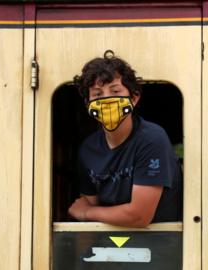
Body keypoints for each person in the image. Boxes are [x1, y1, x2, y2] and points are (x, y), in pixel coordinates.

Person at [68, 52, 183, 227]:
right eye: (97, 94)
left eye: (115, 91)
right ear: (88, 104)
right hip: (108, 248)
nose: (106, 100)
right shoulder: (88, 149)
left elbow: (139, 216)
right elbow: (90, 204)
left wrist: (87, 213)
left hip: (160, 246)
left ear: (134, 98)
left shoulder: (152, 139)